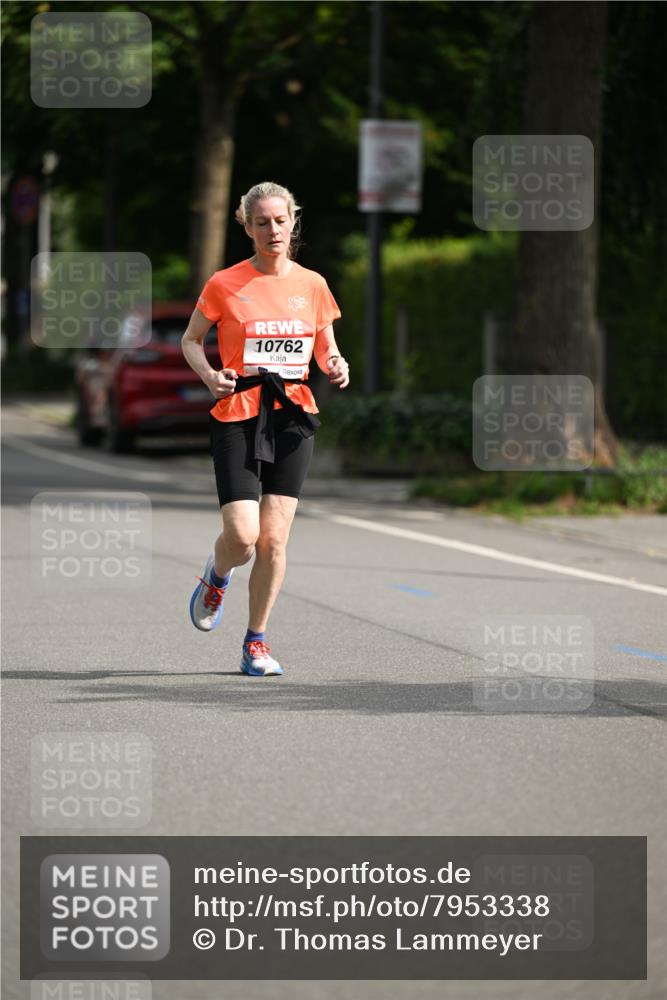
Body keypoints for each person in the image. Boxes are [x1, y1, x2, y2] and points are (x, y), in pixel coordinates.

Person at [181, 181, 349, 676]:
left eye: (280, 220)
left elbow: (325, 345)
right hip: (238, 411)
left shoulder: (313, 284)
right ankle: (217, 575)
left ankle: (255, 642)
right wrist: (211, 375)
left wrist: (336, 364)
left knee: (274, 541)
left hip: (293, 412)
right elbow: (192, 340)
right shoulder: (224, 283)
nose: (272, 230)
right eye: (261, 222)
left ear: (293, 222)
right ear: (247, 226)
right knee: (242, 536)